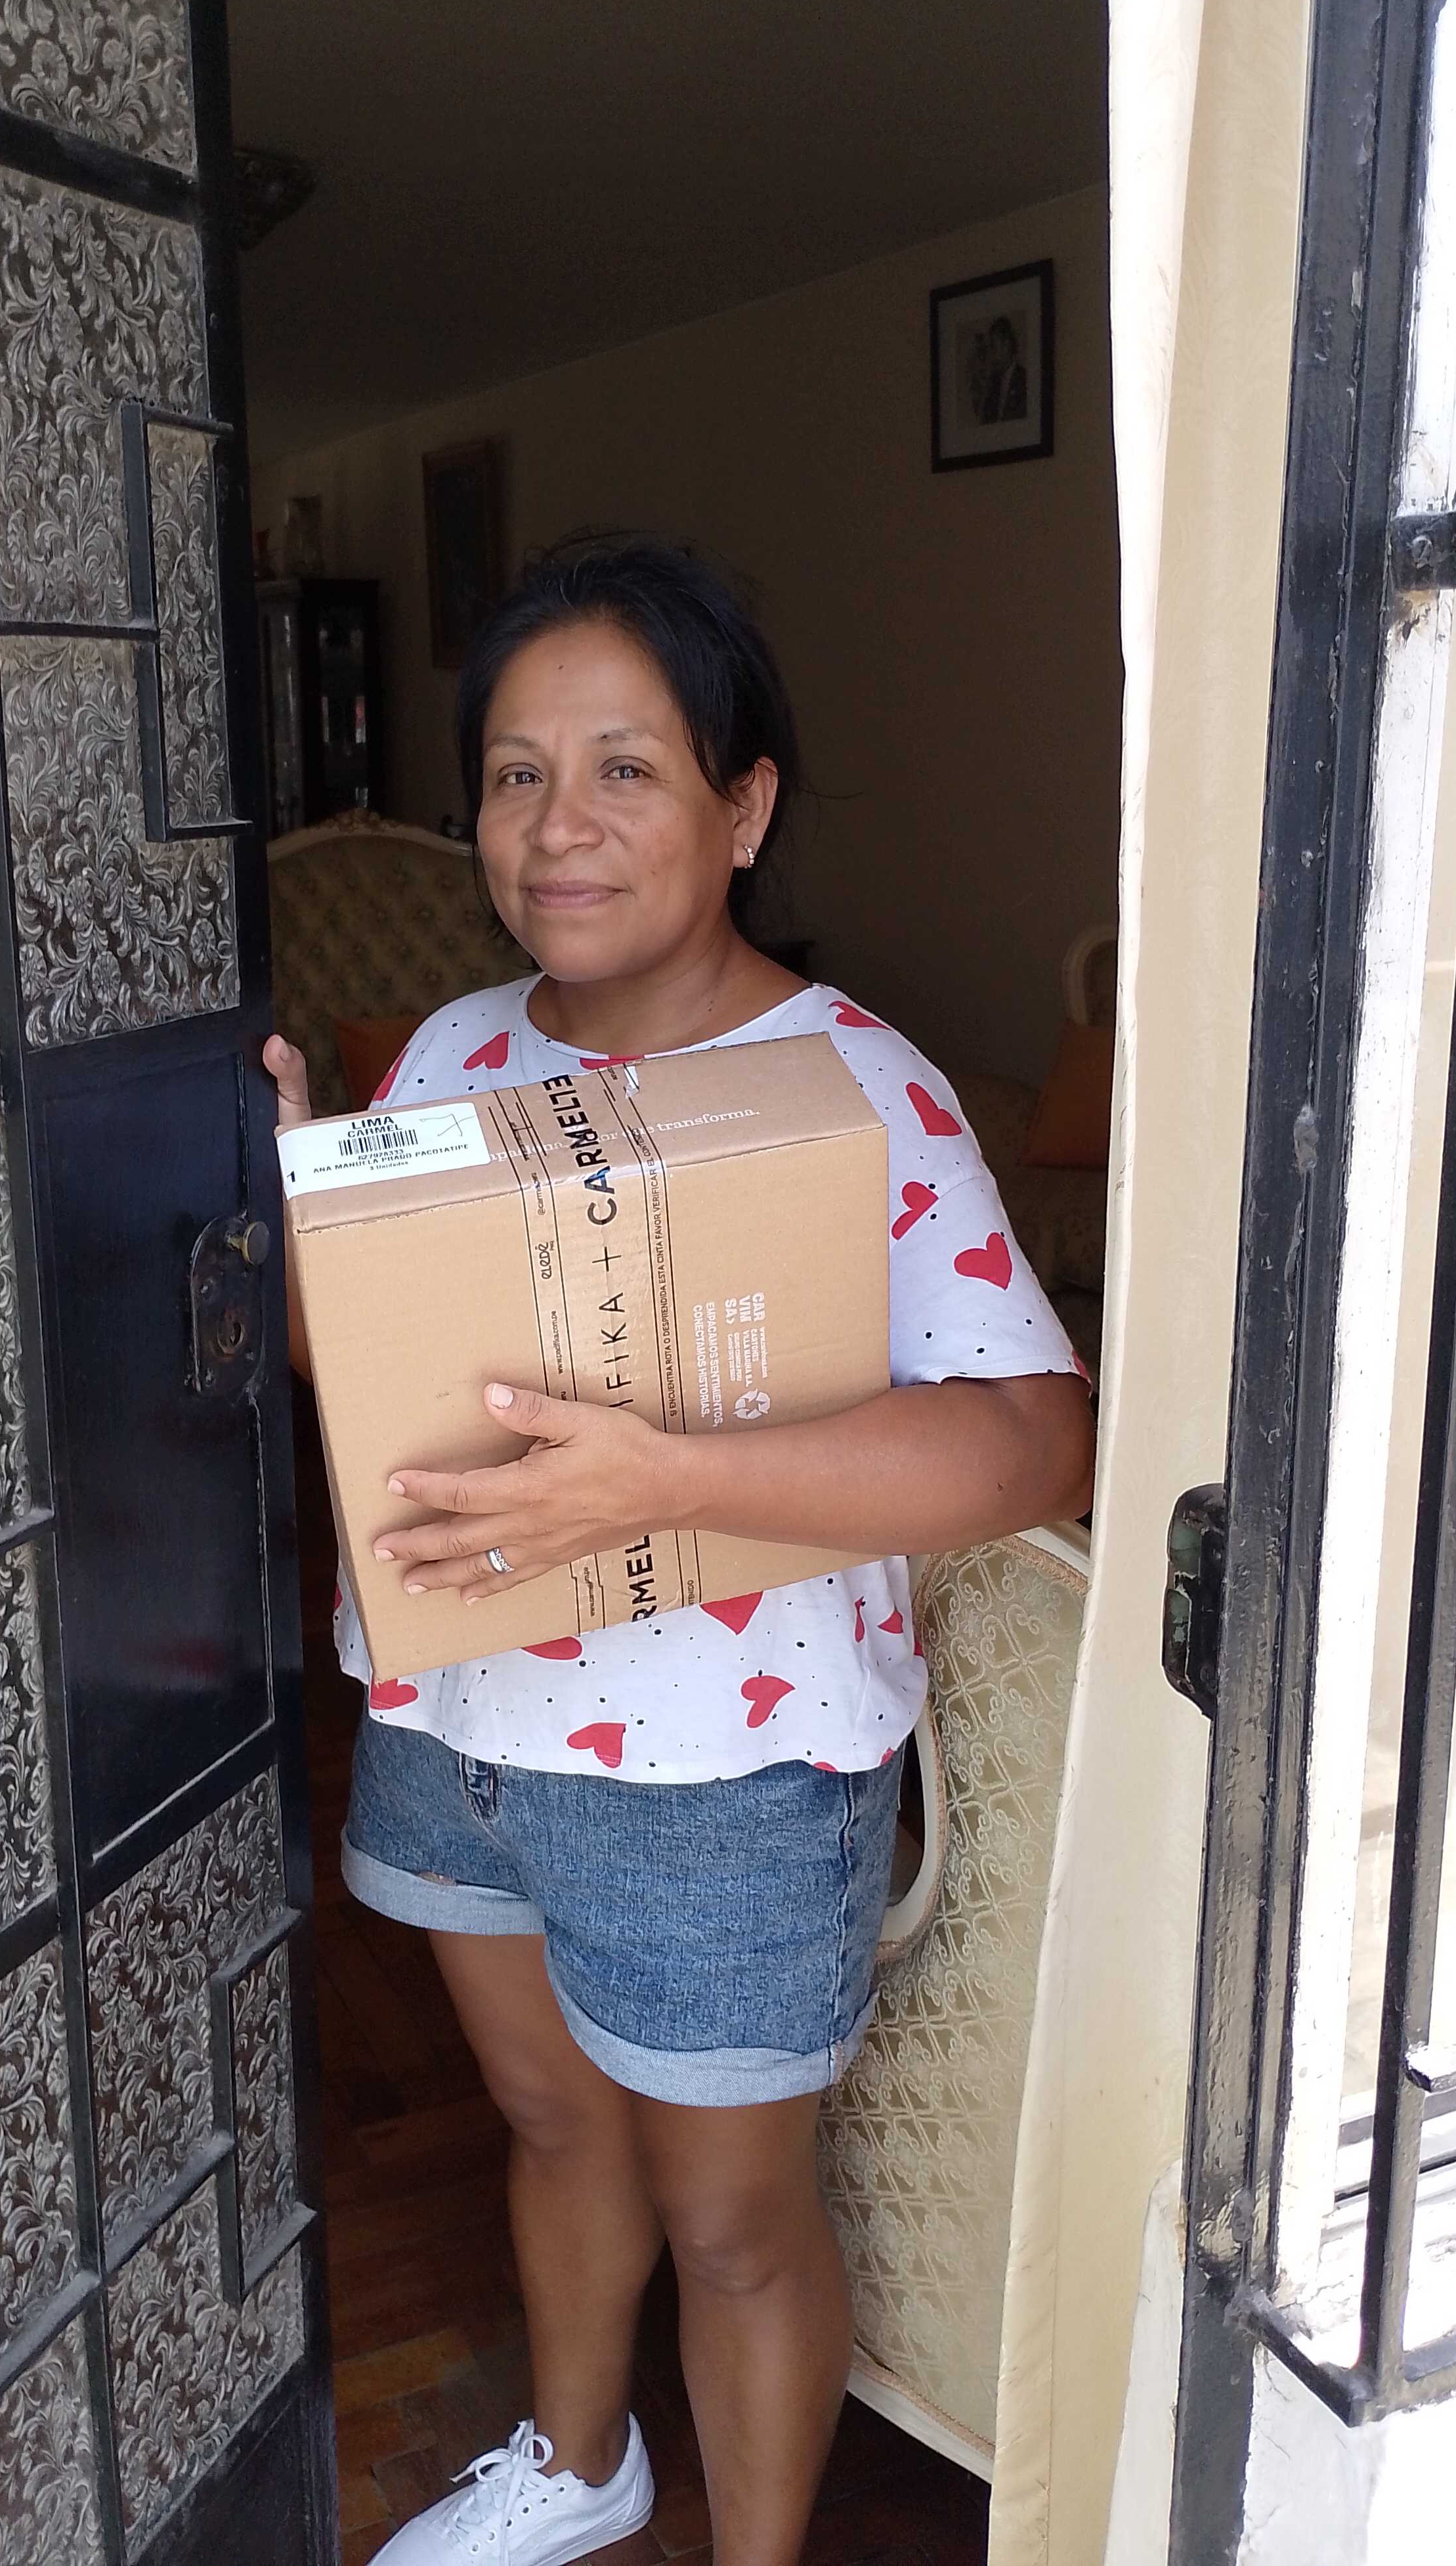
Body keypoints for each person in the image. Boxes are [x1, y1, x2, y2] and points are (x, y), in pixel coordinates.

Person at [264, 535, 1093, 2565]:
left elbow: (1029, 1440)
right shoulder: (452, 1054)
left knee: (731, 2219)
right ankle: (581, 2464)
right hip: (463, 1715)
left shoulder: (858, 1089)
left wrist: (669, 1483)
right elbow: (364, 1371)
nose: (557, 825)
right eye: (517, 773)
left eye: (624, 768)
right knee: (550, 2118)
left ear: (744, 807)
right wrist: (300, 1208)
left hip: (726, 1773)